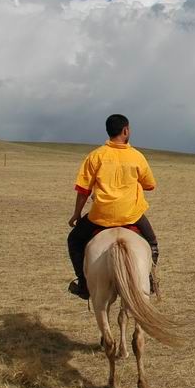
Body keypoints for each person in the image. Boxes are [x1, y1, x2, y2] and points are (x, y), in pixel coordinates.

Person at [67, 114, 159, 300]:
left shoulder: (95, 156)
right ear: (125, 131)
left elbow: (83, 190)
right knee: (152, 244)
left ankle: (84, 283)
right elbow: (150, 185)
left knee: (74, 241)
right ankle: (148, 279)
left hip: (101, 216)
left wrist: (76, 214)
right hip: (131, 215)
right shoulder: (137, 157)